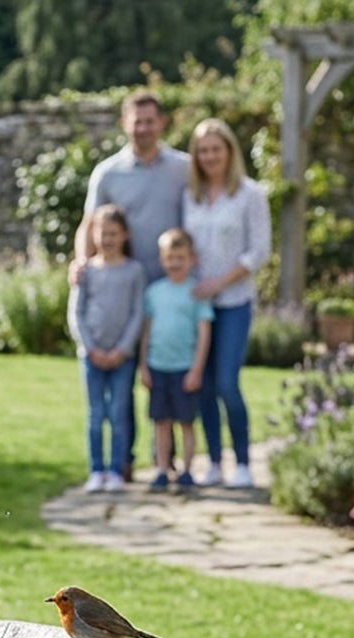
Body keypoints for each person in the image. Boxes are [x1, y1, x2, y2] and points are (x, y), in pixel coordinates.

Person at [71, 91, 189, 478]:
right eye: (136, 121)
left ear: (162, 123)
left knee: (164, 375)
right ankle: (123, 461)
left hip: (170, 291)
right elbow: (89, 224)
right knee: (122, 385)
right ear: (125, 124)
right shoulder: (108, 172)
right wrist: (81, 262)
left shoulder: (182, 168)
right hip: (121, 290)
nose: (143, 128)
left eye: (150, 121)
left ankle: (166, 459)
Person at [182, 117, 271, 489]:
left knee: (227, 383)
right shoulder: (190, 196)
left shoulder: (250, 194)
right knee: (201, 383)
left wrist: (221, 280)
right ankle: (215, 462)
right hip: (198, 305)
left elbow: (260, 252)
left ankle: (244, 462)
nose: (209, 156)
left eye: (216, 149)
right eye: (203, 151)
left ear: (230, 151)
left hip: (233, 301)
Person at [74, 205, 145, 493]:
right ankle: (96, 470)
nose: (108, 239)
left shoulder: (134, 271)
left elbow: (137, 313)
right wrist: (90, 348)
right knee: (95, 415)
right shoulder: (86, 271)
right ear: (93, 234)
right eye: (103, 233)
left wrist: (123, 349)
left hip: (122, 357)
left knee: (118, 413)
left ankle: (116, 469)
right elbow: (77, 312)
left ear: (124, 235)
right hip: (90, 357)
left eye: (114, 233)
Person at [139, 228, 211, 492]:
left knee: (186, 422)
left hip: (184, 368)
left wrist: (196, 369)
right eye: (170, 257)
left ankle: (188, 470)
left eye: (181, 257)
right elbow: (146, 331)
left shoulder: (196, 292)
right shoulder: (154, 293)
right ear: (162, 259)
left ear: (191, 259)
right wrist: (143, 365)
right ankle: (161, 468)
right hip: (158, 366)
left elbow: (204, 334)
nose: (175, 263)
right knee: (161, 422)